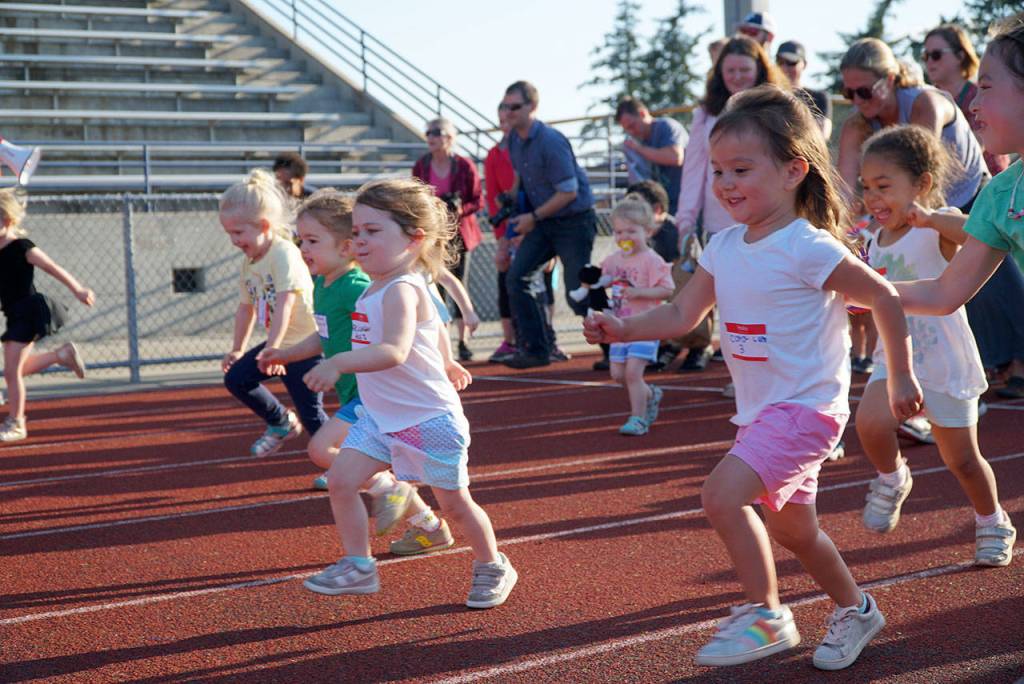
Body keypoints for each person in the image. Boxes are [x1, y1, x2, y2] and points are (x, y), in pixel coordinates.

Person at [586, 85, 922, 670]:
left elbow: (887, 298)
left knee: (721, 495)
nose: (725, 183)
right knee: (796, 532)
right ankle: (858, 608)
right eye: (718, 170)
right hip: (763, 413)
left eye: (741, 169)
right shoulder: (724, 245)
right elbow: (682, 315)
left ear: (795, 170)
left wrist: (899, 379)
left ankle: (764, 612)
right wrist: (620, 326)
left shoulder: (808, 247)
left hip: (809, 410)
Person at [301, 177, 517, 609]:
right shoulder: (374, 287)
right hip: (381, 419)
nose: (360, 240)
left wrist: (340, 361)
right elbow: (433, 325)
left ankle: (492, 564)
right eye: (357, 231)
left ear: (414, 238)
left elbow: (395, 351)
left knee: (455, 505)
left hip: (427, 420)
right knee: (342, 481)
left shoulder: (401, 287)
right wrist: (446, 357)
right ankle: (358, 565)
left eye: (373, 231)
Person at [257, 191, 456, 555]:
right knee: (333, 457)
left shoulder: (359, 285)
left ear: (347, 247)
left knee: (323, 449)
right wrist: (287, 353)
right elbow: (324, 335)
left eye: (314, 241)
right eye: (301, 239)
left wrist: (446, 361)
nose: (304, 248)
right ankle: (427, 524)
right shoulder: (323, 284)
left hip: (375, 394)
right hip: (357, 394)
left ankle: (390, 494)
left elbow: (426, 317)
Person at [855, 124, 1015, 565]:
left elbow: (974, 234)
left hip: (944, 358)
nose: (873, 198)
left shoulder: (935, 225)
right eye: (866, 187)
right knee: (869, 422)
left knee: (962, 460)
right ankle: (891, 477)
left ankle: (991, 519)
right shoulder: (871, 239)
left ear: (921, 184)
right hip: (894, 356)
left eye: (884, 186)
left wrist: (929, 217)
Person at [896, 13, 1024, 400]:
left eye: (986, 87)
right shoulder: (1001, 195)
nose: (974, 105)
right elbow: (944, 293)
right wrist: (853, 289)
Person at [676, 36, 785, 382]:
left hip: (771, 215)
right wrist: (685, 218)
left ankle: (776, 367)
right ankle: (742, 371)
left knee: (770, 292)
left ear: (759, 69)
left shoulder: (776, 107)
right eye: (729, 70)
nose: (736, 76)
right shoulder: (706, 114)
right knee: (731, 296)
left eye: (744, 69)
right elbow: (694, 168)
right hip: (721, 216)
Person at [219, 169, 327, 457]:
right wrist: (238, 348)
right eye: (229, 233)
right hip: (278, 346)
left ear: (264, 225)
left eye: (238, 232)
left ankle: (342, 463)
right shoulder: (251, 261)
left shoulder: (283, 254)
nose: (233, 240)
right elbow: (246, 307)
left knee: (312, 415)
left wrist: (274, 348)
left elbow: (286, 304)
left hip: (305, 347)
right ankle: (280, 420)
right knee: (237, 378)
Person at [502, 80, 596, 369]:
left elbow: (568, 191)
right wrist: (513, 198)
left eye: (515, 106)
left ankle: (615, 345)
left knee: (576, 289)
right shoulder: (514, 141)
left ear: (532, 107)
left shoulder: (551, 140)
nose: (508, 112)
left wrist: (533, 217)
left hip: (573, 220)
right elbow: (523, 175)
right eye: (506, 106)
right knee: (517, 278)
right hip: (546, 220)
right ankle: (537, 349)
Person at [0, 188, 92, 442]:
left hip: (29, 311)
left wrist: (78, 289)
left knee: (11, 372)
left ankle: (17, 423)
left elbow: (53, 268)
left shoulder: (22, 247)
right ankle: (60, 355)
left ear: (6, 220)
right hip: (13, 313)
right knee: (17, 368)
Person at [599, 194, 674, 435]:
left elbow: (668, 288)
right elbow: (602, 277)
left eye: (631, 231)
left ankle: (638, 419)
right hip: (620, 326)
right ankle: (651, 394)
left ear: (648, 232)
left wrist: (638, 292)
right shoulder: (614, 259)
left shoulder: (651, 260)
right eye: (619, 232)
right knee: (618, 374)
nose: (624, 238)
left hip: (646, 325)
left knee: (633, 373)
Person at [412, 118, 483, 362]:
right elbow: (414, 196)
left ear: (450, 137)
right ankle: (441, 342)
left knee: (457, 280)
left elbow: (478, 200)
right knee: (435, 285)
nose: (431, 137)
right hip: (431, 234)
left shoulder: (463, 165)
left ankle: (463, 341)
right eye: (428, 132)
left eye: (437, 132)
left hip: (459, 232)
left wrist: (458, 208)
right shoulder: (421, 165)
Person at [627, 180, 712, 372]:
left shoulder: (675, 231)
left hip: (682, 281)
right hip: (658, 286)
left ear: (657, 209)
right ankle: (668, 344)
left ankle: (698, 346)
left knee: (683, 281)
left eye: (637, 205)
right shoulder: (635, 235)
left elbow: (686, 266)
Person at [484, 104, 519, 364]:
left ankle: (543, 337)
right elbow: (495, 200)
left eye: (509, 118)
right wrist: (502, 239)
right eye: (501, 120)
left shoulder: (532, 150)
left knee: (541, 286)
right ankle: (510, 341)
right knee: (506, 280)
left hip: (538, 225)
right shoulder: (494, 155)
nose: (505, 124)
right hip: (508, 227)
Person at [616, 96, 688, 216]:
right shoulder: (637, 140)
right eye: (627, 129)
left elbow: (675, 157)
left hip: (685, 201)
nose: (631, 132)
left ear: (642, 113)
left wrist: (638, 149)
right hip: (662, 203)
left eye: (632, 125)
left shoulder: (666, 126)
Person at [775, 40, 834, 138]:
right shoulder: (770, 95)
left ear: (804, 64)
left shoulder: (818, 97)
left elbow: (822, 135)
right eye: (780, 61)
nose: (784, 67)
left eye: (791, 62)